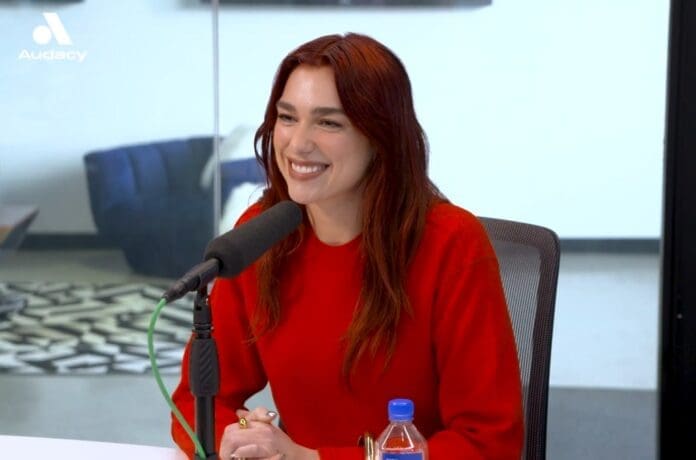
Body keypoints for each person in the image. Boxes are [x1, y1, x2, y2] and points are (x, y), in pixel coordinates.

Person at [171, 32, 523, 460]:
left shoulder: (452, 244)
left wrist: (313, 458)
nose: (297, 143)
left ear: (380, 137)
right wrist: (237, 438)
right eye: (287, 117)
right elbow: (197, 401)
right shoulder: (261, 234)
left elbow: (488, 443)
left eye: (328, 122)